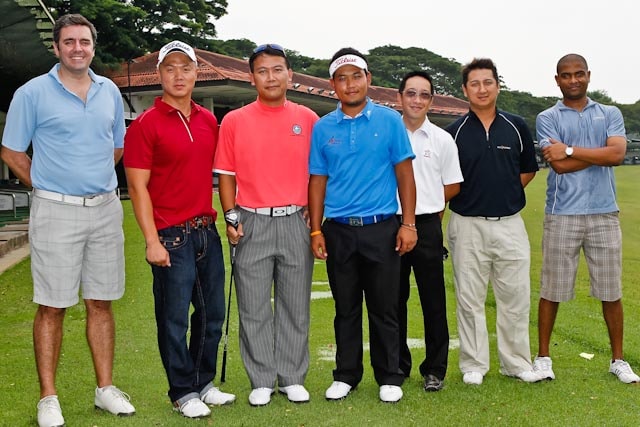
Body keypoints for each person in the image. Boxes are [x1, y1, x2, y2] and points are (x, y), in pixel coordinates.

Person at [0, 13, 135, 427]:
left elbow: (116, 148)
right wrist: (47, 184)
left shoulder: (109, 91)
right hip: (55, 210)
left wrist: (91, 180)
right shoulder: (32, 93)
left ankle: (105, 389)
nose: (78, 48)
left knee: (101, 301)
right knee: (52, 305)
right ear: (57, 47)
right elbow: (12, 152)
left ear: (93, 47)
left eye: (84, 42)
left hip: (105, 209)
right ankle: (48, 398)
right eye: (70, 42)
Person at [124, 40, 236, 418]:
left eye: (185, 68)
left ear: (195, 73)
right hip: (170, 235)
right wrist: (151, 241)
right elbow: (137, 187)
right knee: (173, 320)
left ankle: (203, 383)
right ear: (159, 74)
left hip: (206, 230)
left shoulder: (208, 121)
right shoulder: (145, 125)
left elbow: (225, 172)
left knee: (212, 314)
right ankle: (182, 391)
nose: (178, 75)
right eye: (170, 68)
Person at [308, 47, 417, 403]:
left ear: (368, 79)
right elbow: (318, 180)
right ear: (333, 84)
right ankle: (346, 374)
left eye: (357, 76)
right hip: (339, 229)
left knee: (385, 307)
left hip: (381, 227)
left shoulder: (389, 121)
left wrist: (409, 223)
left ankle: (389, 375)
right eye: (342, 78)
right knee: (346, 307)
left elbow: (405, 174)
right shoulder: (323, 127)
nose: (350, 84)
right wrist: (316, 229)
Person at [213, 43, 318, 406]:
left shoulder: (308, 118)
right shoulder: (234, 120)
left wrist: (316, 211)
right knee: (253, 305)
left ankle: (291, 377)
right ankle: (261, 378)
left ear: (290, 75)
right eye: (262, 71)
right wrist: (231, 217)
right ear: (251, 77)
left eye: (277, 70)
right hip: (252, 220)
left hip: (296, 221)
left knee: (295, 305)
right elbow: (226, 175)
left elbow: (320, 173)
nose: (270, 77)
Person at [534, 54, 640, 384]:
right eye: (566, 75)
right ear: (557, 80)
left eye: (579, 74)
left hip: (604, 213)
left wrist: (569, 149)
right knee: (552, 289)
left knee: (611, 290)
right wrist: (597, 154)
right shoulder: (547, 117)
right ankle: (543, 357)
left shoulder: (609, 113)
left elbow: (617, 155)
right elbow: (559, 166)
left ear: (588, 75)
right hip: (561, 213)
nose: (573, 80)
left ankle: (618, 360)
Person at [445, 58, 542, 386]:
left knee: (515, 296)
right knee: (469, 298)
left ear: (497, 86)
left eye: (488, 82)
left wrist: (503, 196)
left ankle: (516, 363)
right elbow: (447, 180)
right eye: (474, 84)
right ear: (465, 90)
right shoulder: (453, 132)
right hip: (466, 224)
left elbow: (526, 171)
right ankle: (474, 364)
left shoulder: (516, 126)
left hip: (510, 224)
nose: (482, 89)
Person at [396, 71, 463, 392]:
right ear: (400, 97)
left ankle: (435, 369)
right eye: (411, 93)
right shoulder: (387, 133)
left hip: (427, 225)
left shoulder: (442, 139)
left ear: (431, 100)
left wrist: (430, 202)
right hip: (390, 223)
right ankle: (396, 366)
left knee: (433, 301)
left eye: (424, 95)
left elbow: (453, 184)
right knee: (392, 300)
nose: (417, 100)